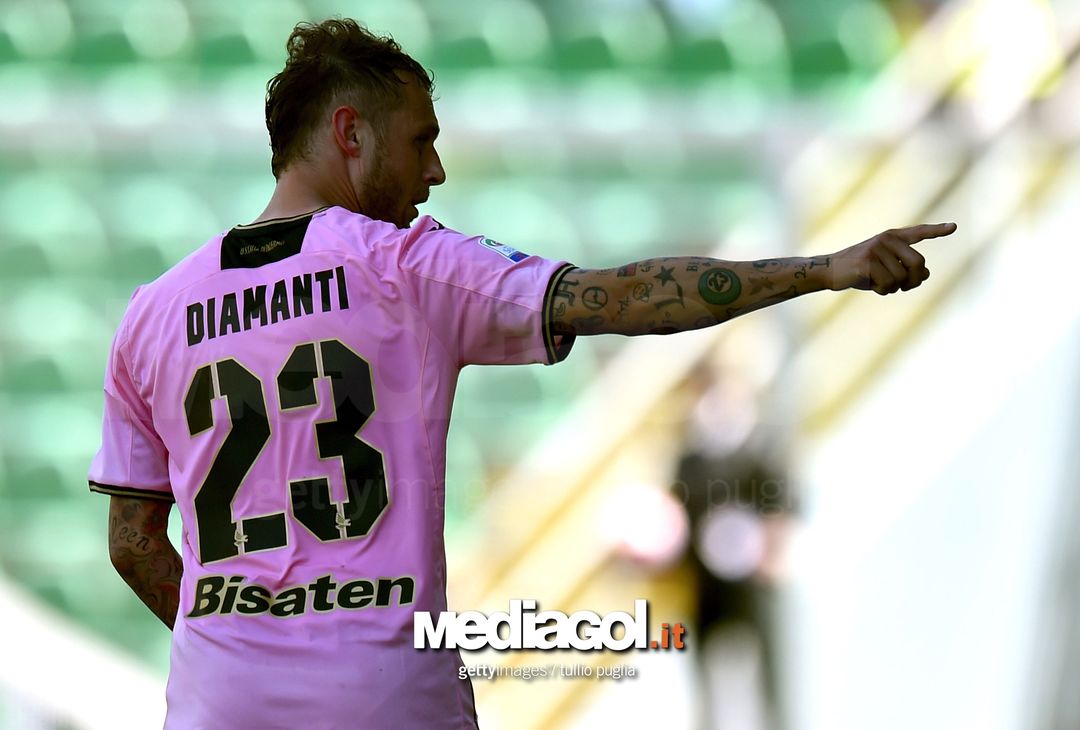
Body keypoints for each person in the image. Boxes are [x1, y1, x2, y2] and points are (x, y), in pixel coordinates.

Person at [88, 18, 956, 730]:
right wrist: (821, 271)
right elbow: (617, 297)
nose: (434, 171)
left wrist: (243, 649)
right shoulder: (404, 268)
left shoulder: (152, 313)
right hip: (385, 698)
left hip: (220, 706)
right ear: (350, 134)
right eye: (420, 140)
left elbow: (133, 545)